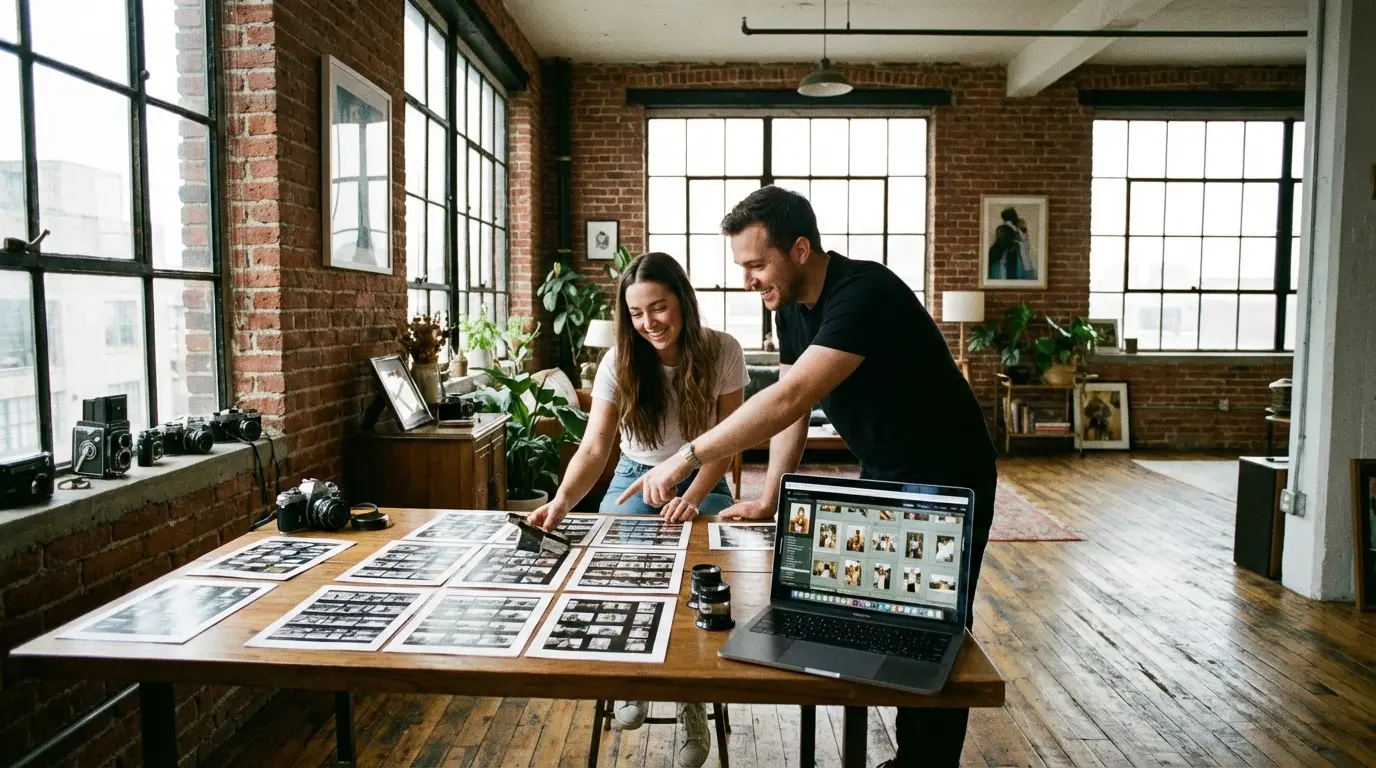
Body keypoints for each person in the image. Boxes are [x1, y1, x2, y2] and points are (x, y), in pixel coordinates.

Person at [616, 185, 998, 768]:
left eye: (755, 265)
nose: (748, 280)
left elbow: (789, 394)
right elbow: (791, 409)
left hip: (949, 474)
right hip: (884, 470)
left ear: (799, 249)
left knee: (933, 623)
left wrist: (686, 455)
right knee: (876, 609)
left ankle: (925, 763)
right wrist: (769, 495)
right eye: (742, 266)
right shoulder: (790, 308)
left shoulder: (863, 293)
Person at [527, 251, 747, 768]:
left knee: (699, 581)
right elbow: (595, 446)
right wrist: (559, 502)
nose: (649, 323)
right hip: (633, 477)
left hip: (701, 475)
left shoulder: (723, 351)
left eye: (660, 307)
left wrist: (691, 497)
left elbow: (727, 444)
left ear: (684, 303)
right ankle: (634, 675)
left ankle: (691, 697)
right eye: (637, 313)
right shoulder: (617, 362)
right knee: (622, 572)